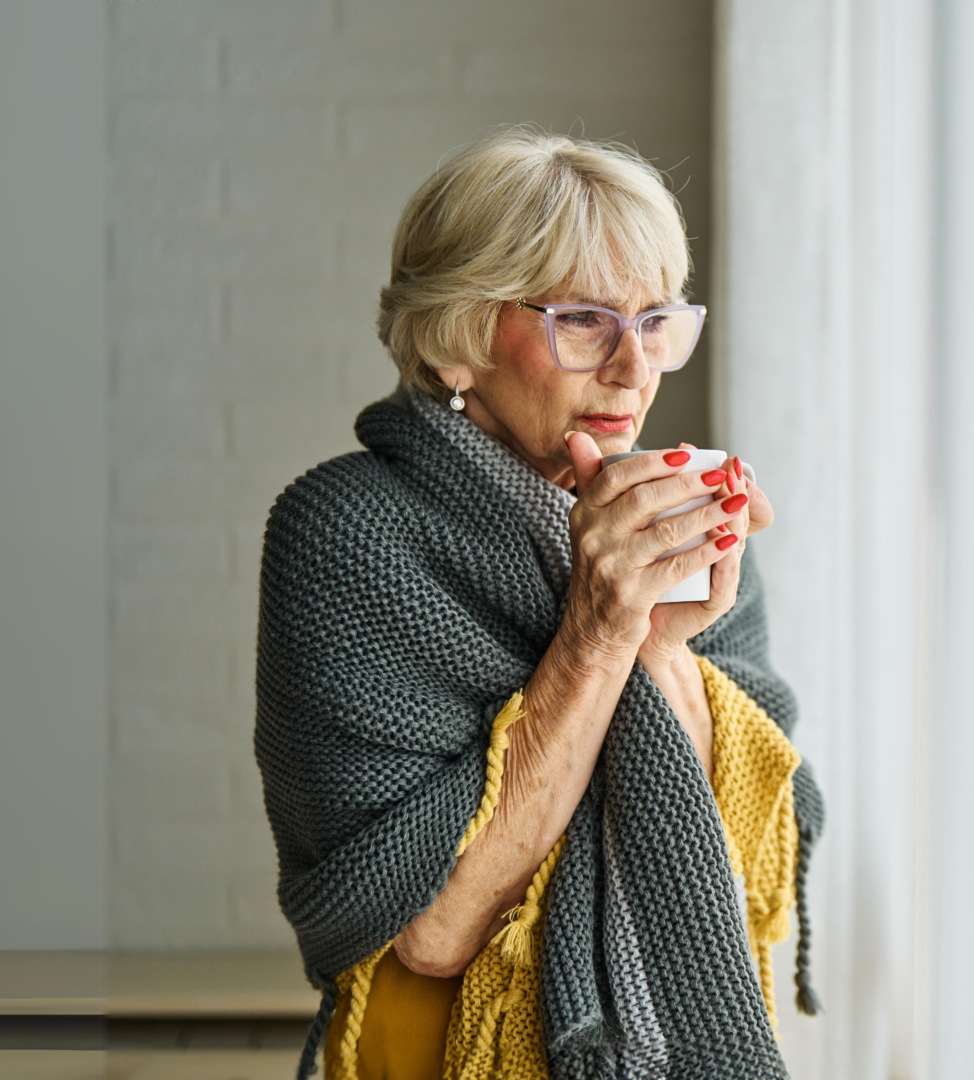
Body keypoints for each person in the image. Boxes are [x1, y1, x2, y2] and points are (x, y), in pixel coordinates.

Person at [255, 126, 823, 1080]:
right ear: (458, 340)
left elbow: (750, 847)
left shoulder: (676, 521)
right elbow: (432, 933)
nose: (637, 369)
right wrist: (596, 636)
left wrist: (657, 650)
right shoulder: (345, 532)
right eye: (586, 321)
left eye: (657, 322)